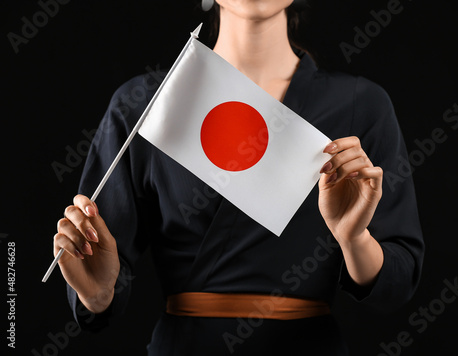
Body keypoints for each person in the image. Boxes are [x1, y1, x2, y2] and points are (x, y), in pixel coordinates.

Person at [53, 1, 424, 354]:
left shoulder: (361, 105)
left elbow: (397, 283)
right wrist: (98, 293)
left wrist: (353, 237)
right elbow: (97, 276)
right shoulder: (147, 104)